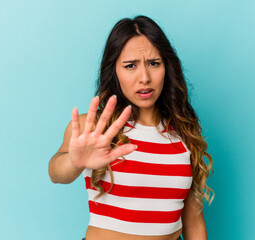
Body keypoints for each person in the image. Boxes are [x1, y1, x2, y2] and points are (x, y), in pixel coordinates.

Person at [48, 15, 214, 240]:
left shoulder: (184, 134)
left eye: (154, 63)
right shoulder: (97, 128)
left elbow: (194, 225)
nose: (144, 77)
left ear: (167, 67)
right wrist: (74, 162)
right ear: (114, 70)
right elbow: (56, 172)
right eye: (130, 66)